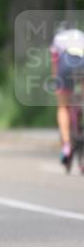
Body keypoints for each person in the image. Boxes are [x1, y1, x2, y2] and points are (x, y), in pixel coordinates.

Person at [50, 21, 84, 168]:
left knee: (63, 106)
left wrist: (55, 82)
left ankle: (66, 145)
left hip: (65, 65)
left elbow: (55, 63)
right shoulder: (81, 35)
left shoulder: (57, 38)